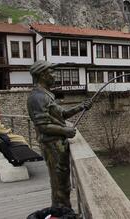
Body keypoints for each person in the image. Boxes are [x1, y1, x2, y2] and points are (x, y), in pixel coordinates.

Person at [27, 60, 92, 208]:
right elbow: (42, 126)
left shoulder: (46, 94)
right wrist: (65, 131)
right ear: (42, 75)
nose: (54, 75)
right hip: (52, 146)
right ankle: (61, 212)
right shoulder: (37, 97)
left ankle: (63, 211)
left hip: (57, 145)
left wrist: (81, 106)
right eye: (51, 72)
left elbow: (61, 114)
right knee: (59, 185)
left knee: (63, 184)